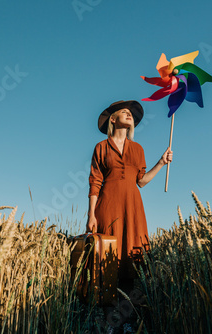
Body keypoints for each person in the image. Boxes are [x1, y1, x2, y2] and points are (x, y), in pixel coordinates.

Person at [86, 100, 173, 296]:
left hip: (133, 209)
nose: (129, 115)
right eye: (124, 112)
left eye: (131, 114)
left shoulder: (138, 149)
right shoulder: (101, 147)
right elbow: (95, 182)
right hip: (107, 208)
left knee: (133, 258)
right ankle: (108, 315)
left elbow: (141, 181)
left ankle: (129, 319)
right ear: (113, 119)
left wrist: (161, 162)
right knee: (107, 259)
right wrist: (91, 215)